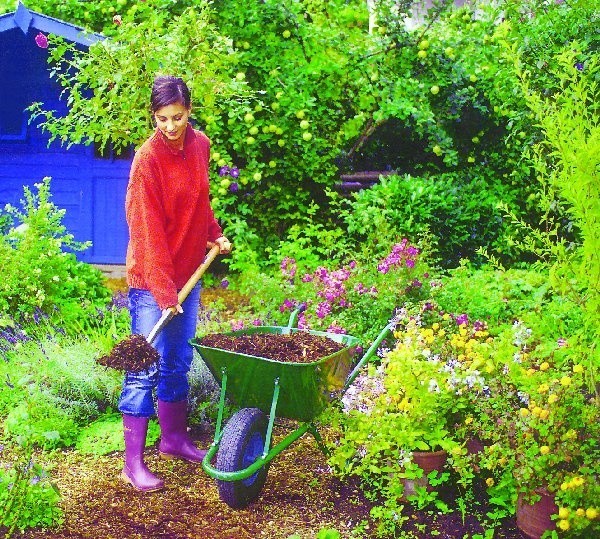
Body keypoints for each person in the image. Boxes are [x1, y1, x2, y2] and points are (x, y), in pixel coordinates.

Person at [118, 75, 231, 492]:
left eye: (177, 117)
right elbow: (146, 230)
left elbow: (199, 201)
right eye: (162, 118)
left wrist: (213, 233)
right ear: (153, 116)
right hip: (153, 278)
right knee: (143, 368)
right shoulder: (147, 160)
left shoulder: (199, 145)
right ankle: (132, 464)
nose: (170, 126)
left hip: (188, 273)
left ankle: (174, 440)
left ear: (189, 111)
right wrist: (164, 292)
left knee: (178, 362)